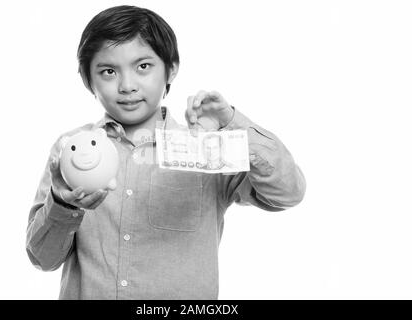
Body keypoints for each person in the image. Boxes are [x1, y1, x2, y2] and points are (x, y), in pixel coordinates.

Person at [26, 5, 306, 300]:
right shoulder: (70, 150)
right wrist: (62, 205)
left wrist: (234, 124)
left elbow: (289, 193)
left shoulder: (207, 147)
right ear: (87, 81)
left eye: (143, 66)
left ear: (171, 68)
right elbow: (43, 259)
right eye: (108, 71)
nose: (127, 86)